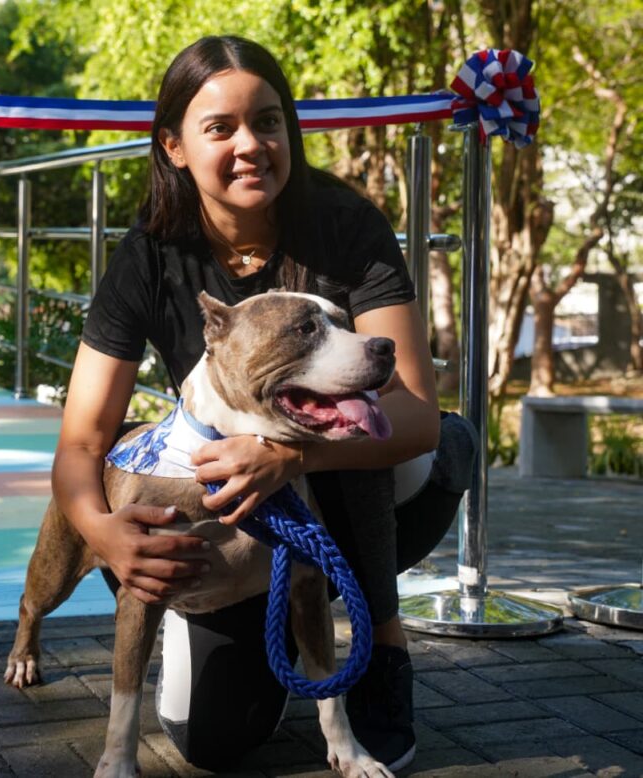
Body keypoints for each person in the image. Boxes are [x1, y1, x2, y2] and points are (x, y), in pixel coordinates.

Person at [52, 35, 475, 773]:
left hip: (366, 479)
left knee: (355, 422)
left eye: (269, 121)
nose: (251, 145)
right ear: (174, 147)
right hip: (233, 517)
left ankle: (382, 642)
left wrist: (288, 456)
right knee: (214, 743)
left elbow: (411, 410)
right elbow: (82, 444)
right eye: (220, 128)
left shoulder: (345, 225)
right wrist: (102, 535)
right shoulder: (149, 254)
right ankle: (264, 628)